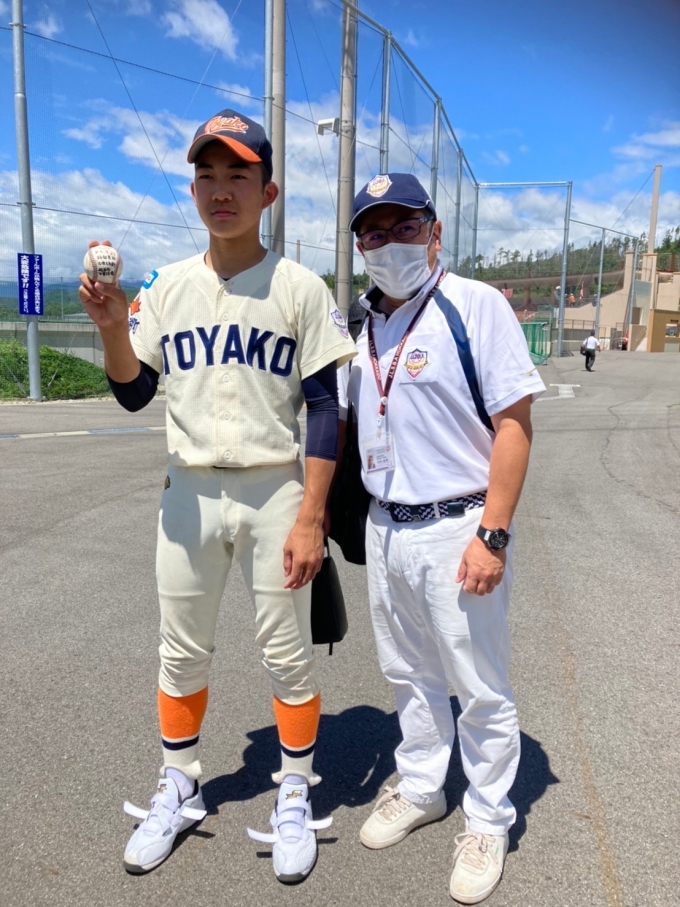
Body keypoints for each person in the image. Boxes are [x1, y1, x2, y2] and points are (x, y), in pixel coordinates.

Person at [78, 108, 355, 883]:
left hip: (274, 491)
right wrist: (112, 328)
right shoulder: (166, 286)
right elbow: (135, 393)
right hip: (190, 491)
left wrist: (312, 515)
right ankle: (180, 782)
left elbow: (326, 406)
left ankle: (294, 787)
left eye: (238, 173)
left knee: (287, 652)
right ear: (194, 188)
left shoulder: (298, 286)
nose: (221, 188)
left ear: (269, 192)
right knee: (181, 647)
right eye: (207, 174)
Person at [337, 173, 545, 904]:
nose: (389, 242)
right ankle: (424, 784)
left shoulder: (474, 304)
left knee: (479, 686)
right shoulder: (360, 325)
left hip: (459, 526)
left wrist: (493, 533)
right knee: (408, 673)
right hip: (386, 526)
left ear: (434, 232)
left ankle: (488, 818)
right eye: (373, 231)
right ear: (359, 246)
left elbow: (514, 424)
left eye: (404, 226)